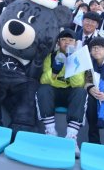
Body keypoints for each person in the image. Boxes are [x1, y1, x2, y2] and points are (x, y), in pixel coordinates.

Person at [36, 29, 87, 157]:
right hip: (54, 91)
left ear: (75, 43)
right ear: (59, 42)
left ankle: (71, 136)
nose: (67, 43)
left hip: (70, 92)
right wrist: (55, 70)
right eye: (64, 39)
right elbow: (43, 80)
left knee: (81, 92)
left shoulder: (79, 58)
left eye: (70, 40)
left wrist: (71, 63)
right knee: (42, 89)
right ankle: (51, 132)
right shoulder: (51, 56)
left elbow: (78, 83)